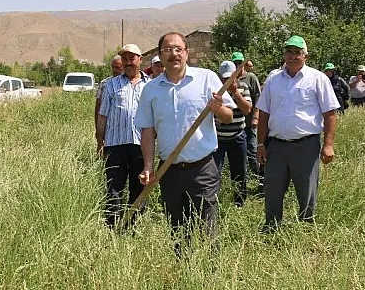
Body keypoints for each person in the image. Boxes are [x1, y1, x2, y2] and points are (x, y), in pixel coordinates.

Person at [136, 32, 235, 254]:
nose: (173, 54)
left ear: (187, 53)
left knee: (207, 228)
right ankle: (184, 271)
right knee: (178, 230)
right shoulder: (151, 89)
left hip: (202, 169)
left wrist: (218, 108)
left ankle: (210, 275)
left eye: (178, 49)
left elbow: (228, 116)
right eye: (167, 50)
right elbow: (147, 130)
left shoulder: (206, 78)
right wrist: (148, 166)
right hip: (168, 170)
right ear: (160, 55)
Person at [255, 35, 339, 232]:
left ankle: (306, 231)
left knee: (306, 191)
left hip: (306, 146)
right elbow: (264, 113)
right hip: (276, 145)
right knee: (272, 189)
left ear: (305, 56)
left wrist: (328, 145)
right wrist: (260, 144)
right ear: (284, 54)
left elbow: (330, 114)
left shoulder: (317, 79)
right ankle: (271, 229)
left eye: (297, 53)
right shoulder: (273, 79)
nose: (292, 56)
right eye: (289, 52)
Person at [96, 44, 151, 229]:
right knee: (114, 188)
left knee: (138, 188)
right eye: (125, 59)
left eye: (132, 58)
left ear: (140, 60)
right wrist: (100, 142)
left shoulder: (150, 85)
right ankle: (112, 227)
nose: (128, 62)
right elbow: (102, 115)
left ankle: (133, 227)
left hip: (141, 145)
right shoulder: (111, 84)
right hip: (115, 144)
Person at [213, 60, 252, 206]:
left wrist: (235, 93)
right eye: (224, 78)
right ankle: (214, 200)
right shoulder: (215, 89)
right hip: (218, 138)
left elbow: (247, 109)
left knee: (239, 170)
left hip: (237, 136)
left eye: (230, 77)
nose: (227, 81)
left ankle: (239, 202)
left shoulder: (243, 87)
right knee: (214, 171)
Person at [231, 53, 264, 193]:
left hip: (250, 122)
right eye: (235, 63)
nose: (238, 65)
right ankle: (244, 180)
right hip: (237, 125)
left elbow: (258, 97)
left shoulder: (251, 78)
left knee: (252, 151)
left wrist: (256, 117)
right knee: (241, 155)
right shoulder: (230, 79)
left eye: (240, 62)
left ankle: (259, 180)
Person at [95, 55, 123, 146]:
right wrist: (99, 134)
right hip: (109, 130)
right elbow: (98, 109)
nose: (114, 70)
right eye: (113, 67)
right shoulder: (105, 84)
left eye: (117, 67)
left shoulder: (129, 85)